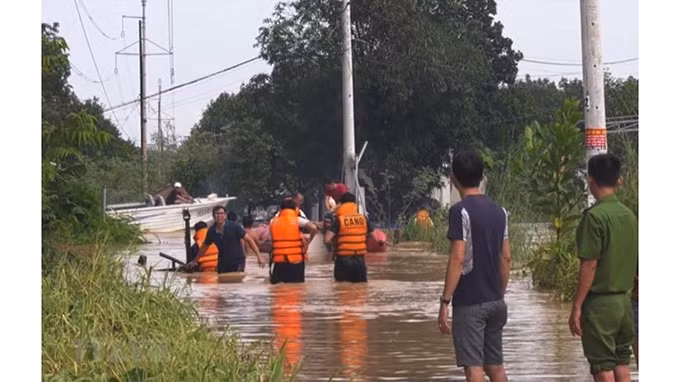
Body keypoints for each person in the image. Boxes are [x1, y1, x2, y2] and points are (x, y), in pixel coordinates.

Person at [437, 151, 511, 382]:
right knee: (495, 366)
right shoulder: (500, 212)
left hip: (470, 303)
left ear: (453, 178)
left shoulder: (460, 211)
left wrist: (445, 302)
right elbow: (506, 258)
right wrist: (498, 293)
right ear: (481, 177)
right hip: (496, 302)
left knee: (473, 368)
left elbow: (457, 259)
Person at [568, 153, 637, 381]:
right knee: (621, 361)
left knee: (601, 365)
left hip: (601, 306)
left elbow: (589, 265)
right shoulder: (629, 216)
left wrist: (577, 306)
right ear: (619, 180)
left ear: (590, 181)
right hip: (625, 303)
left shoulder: (594, 218)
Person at [324, 192, 382, 283]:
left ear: (341, 204)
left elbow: (327, 240)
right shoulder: (363, 219)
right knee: (360, 289)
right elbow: (375, 238)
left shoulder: (339, 220)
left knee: (342, 289)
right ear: (355, 204)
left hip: (343, 260)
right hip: (359, 260)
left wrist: (334, 248)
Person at [190, 206, 265, 273]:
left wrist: (259, 257)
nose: (219, 216)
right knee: (222, 286)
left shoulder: (235, 227)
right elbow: (204, 247)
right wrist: (194, 261)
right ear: (213, 216)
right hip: (223, 264)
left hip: (237, 263)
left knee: (235, 286)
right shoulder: (211, 231)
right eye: (217, 214)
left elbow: (249, 240)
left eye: (221, 214)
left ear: (225, 216)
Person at [269, 199, 318, 284]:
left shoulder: (273, 222)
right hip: (296, 262)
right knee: (296, 290)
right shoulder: (298, 220)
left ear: (281, 209)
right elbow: (313, 228)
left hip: (279, 261)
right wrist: (309, 240)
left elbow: (272, 241)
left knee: (278, 291)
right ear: (295, 209)